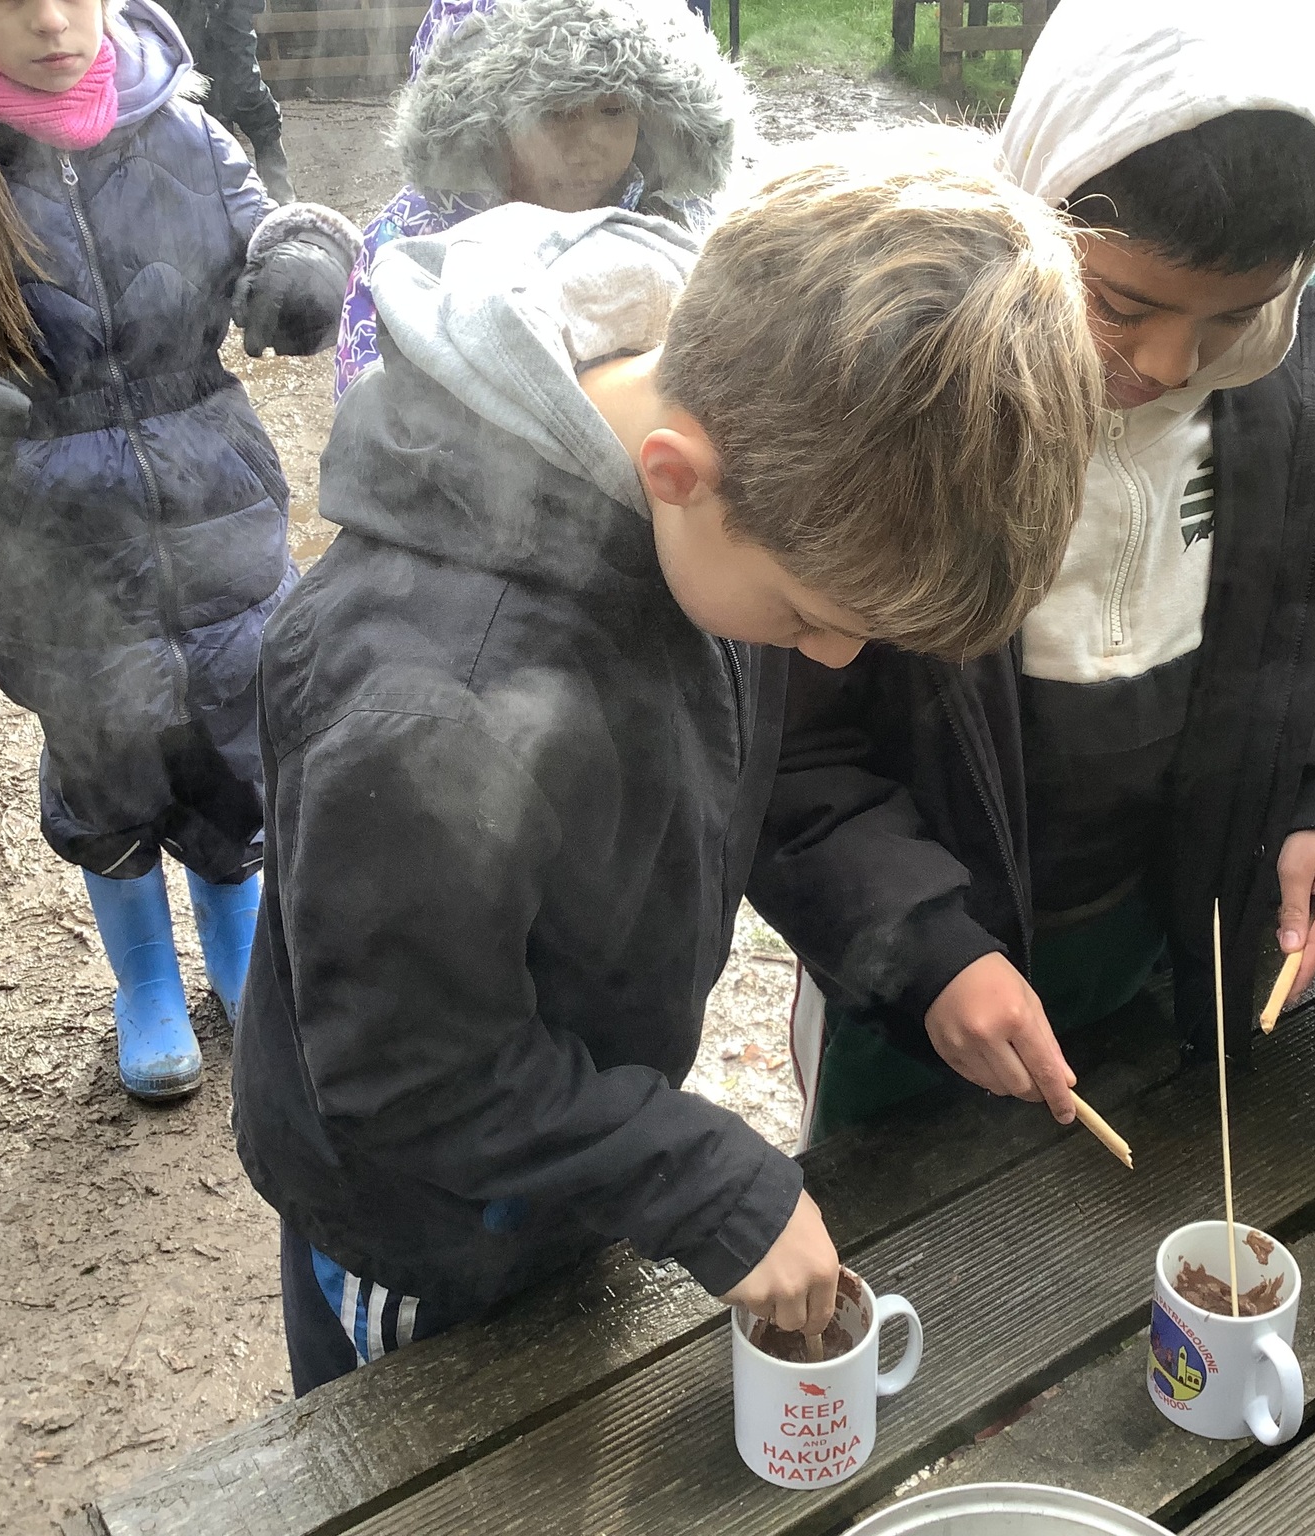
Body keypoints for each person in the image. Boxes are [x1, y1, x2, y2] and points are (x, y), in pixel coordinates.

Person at [232, 129, 1102, 1392]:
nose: (833, 657)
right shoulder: (427, 706)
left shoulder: (724, 494)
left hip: (563, 1153)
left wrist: (916, 953)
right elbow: (408, 1078)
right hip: (417, 1227)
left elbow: (738, 774)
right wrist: (696, 1176)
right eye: (810, 618)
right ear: (674, 473)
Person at [747, 0, 1315, 1145]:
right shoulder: (901, 410)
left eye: (1233, 315)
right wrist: (923, 949)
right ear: (1033, 206)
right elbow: (790, 749)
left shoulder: (1291, 398)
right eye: (1121, 305)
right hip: (926, 974)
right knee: (911, 1206)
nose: (1169, 363)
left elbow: (1310, 631)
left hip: (1170, 936)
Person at [0, 0, 360, 1100]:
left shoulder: (185, 126)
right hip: (50, 535)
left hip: (215, 501)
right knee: (105, 753)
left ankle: (240, 952)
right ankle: (144, 981)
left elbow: (265, 233)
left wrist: (305, 260)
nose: (54, 20)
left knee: (237, 737)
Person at [332, 0, 743, 399]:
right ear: (487, 121)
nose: (588, 147)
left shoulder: (678, 225)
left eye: (614, 110)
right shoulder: (408, 245)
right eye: (555, 112)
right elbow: (371, 415)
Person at [159, 0, 294, 202]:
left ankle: (280, 197)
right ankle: (224, 198)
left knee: (247, 91)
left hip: (229, 10)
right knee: (201, 101)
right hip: (184, 12)